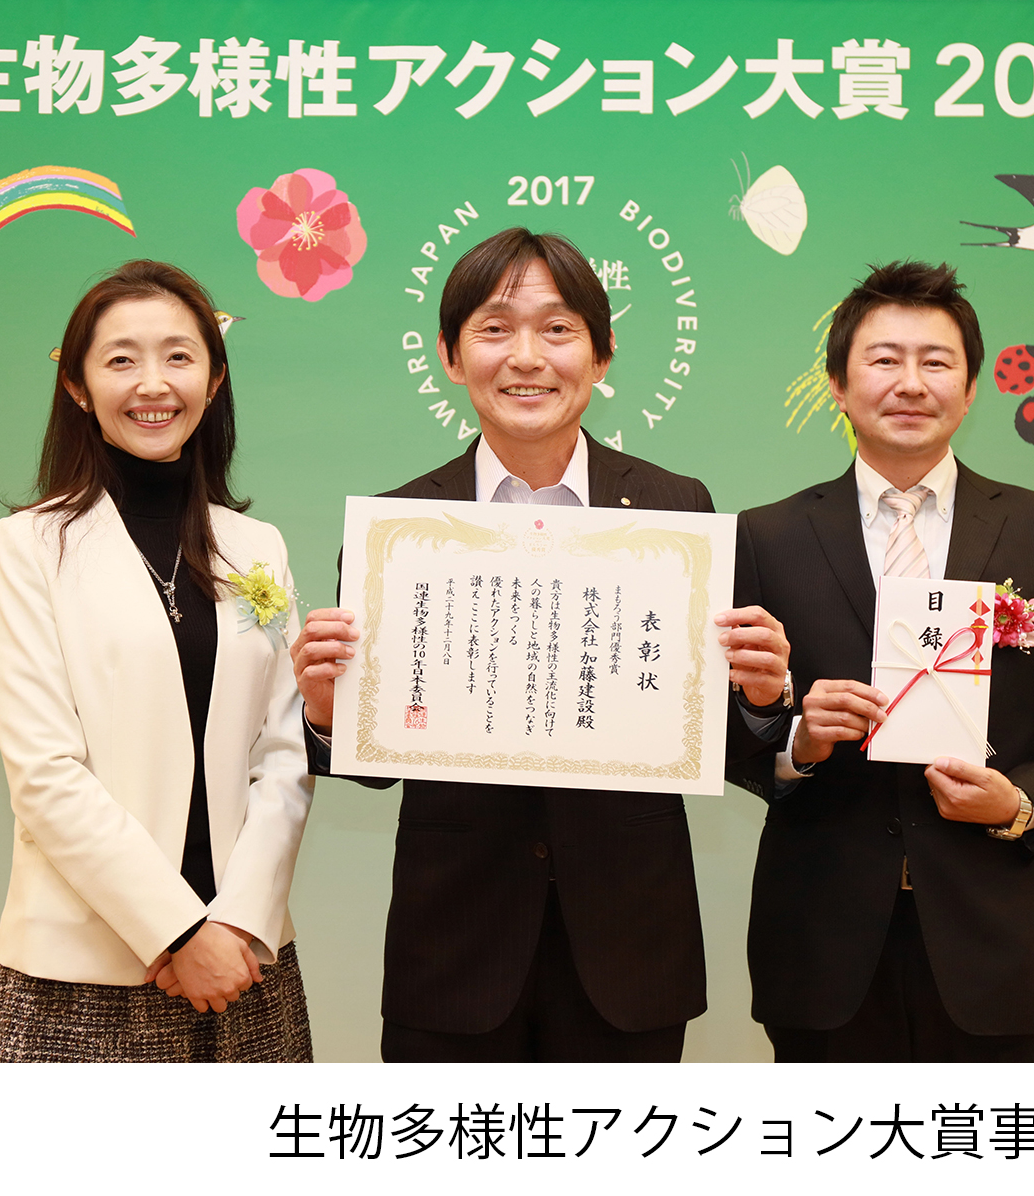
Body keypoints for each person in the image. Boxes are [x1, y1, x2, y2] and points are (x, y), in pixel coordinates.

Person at [290, 228, 736, 1062]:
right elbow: (376, 762)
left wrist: (760, 692)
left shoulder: (677, 510)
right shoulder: (400, 528)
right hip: (454, 951)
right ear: (450, 356)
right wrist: (325, 710)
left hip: (630, 948)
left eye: (558, 329)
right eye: (495, 329)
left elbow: (707, 728)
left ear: (601, 356)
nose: (527, 357)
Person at [720, 260, 1034, 1062]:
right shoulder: (767, 536)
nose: (911, 383)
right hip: (822, 943)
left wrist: (1020, 802)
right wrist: (797, 739)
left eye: (937, 361)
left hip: (997, 939)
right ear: (839, 385)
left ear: (972, 387)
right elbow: (726, 736)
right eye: (884, 359)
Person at [0, 259, 313, 1062]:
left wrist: (235, 922)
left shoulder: (256, 548)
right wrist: (178, 931)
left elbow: (286, 750)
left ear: (214, 378)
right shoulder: (28, 547)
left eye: (179, 356)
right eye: (121, 359)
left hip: (246, 965)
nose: (153, 384)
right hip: (76, 974)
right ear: (78, 386)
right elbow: (45, 773)